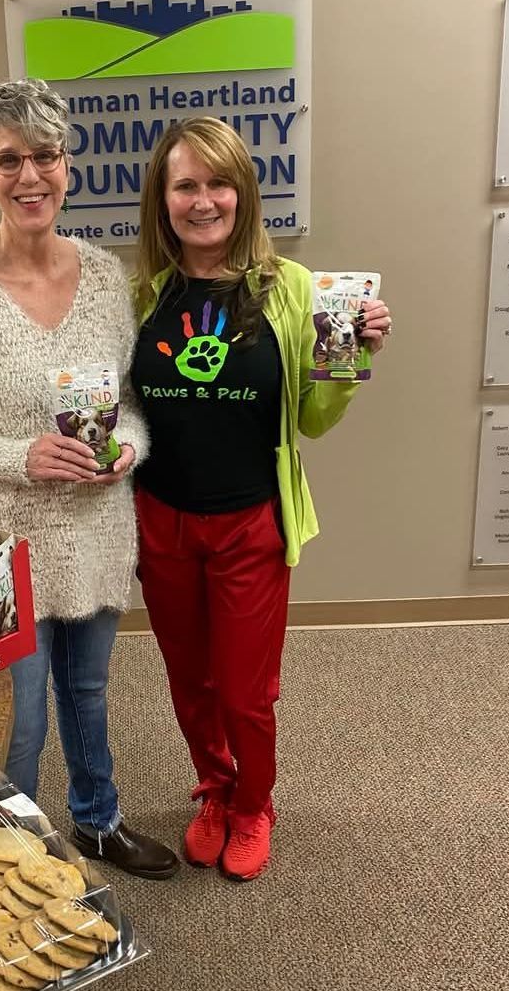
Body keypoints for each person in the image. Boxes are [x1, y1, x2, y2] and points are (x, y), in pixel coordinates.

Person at [0, 78, 178, 880]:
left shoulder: (108, 278)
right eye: (8, 159)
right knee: (15, 723)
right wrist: (18, 457)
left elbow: (130, 408)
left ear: (69, 165)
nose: (29, 176)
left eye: (44, 155)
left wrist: (128, 451)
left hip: (94, 533)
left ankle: (97, 821)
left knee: (87, 697)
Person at [131, 116, 392, 881]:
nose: (203, 201)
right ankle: (213, 790)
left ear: (242, 194)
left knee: (246, 690)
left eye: (218, 184)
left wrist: (349, 364)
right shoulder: (140, 292)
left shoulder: (294, 289)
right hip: (162, 520)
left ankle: (253, 805)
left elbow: (311, 419)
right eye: (186, 185)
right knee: (190, 680)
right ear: (163, 198)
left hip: (251, 521)